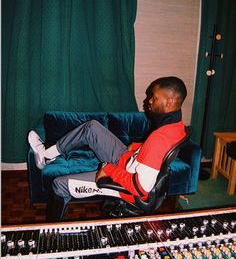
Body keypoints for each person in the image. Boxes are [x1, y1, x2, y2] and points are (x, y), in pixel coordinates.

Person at [28, 76, 187, 221]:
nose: (150, 101)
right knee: (91, 128)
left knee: (58, 185)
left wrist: (109, 169)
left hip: (125, 188)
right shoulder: (177, 126)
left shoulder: (159, 138)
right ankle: (48, 155)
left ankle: (51, 233)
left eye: (154, 97)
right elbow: (159, 153)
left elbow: (140, 187)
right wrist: (139, 147)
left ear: (169, 101)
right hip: (128, 160)